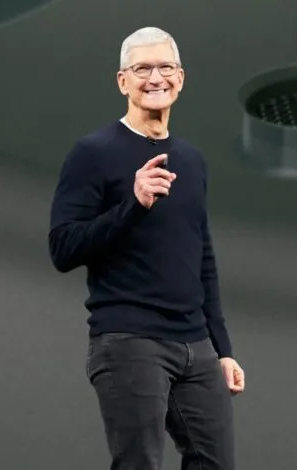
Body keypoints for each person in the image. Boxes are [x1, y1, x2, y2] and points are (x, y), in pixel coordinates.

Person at [48, 26, 245, 470]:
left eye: (165, 67)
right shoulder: (93, 153)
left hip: (196, 346)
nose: (155, 78)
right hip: (129, 341)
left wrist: (223, 348)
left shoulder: (191, 159)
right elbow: (62, 248)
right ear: (123, 81)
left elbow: (202, 256)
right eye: (142, 68)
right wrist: (132, 205)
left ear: (181, 77)